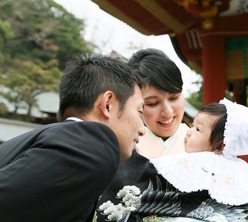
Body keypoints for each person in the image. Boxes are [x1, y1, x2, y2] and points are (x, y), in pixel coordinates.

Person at [0, 54, 146, 222]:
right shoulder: (93, 145)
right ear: (107, 104)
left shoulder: (59, 138)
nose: (142, 130)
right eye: (140, 112)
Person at [98, 99, 248, 221]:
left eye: (198, 129)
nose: (189, 131)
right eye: (192, 125)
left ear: (220, 146)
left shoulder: (196, 163)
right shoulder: (246, 173)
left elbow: (144, 178)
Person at [96, 48, 189, 221]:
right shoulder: (123, 149)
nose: (168, 112)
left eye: (174, 97)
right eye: (152, 103)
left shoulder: (206, 145)